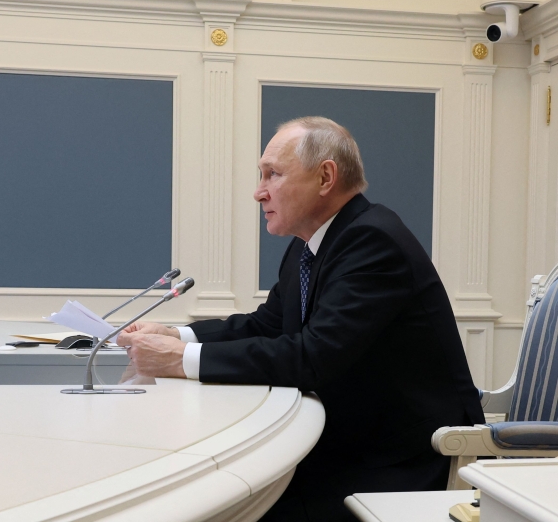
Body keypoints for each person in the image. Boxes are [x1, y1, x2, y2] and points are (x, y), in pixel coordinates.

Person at [118, 117, 484, 521]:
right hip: (348, 443)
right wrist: (176, 335)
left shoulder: (372, 240)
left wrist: (178, 360)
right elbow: (267, 324)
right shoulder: (311, 245)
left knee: (223, 503)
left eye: (272, 174)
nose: (258, 192)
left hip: (401, 460)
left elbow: (314, 357)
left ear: (325, 177)